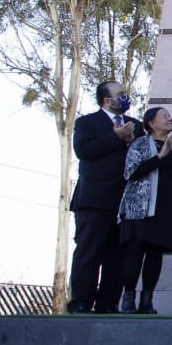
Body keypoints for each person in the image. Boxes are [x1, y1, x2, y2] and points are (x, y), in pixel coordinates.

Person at [68, 81, 143, 314]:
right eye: (120, 94)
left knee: (117, 256)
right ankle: (81, 302)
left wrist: (131, 142)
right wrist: (115, 138)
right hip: (94, 200)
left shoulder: (137, 126)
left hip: (124, 202)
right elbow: (83, 150)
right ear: (106, 100)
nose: (125, 97)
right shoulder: (87, 122)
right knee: (89, 252)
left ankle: (108, 303)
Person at [118, 107, 172, 314]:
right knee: (134, 252)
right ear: (151, 123)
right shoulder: (139, 143)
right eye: (164, 116)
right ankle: (128, 297)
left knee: (155, 254)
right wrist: (160, 155)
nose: (169, 119)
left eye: (170, 116)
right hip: (139, 208)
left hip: (164, 207)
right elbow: (131, 173)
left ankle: (147, 300)